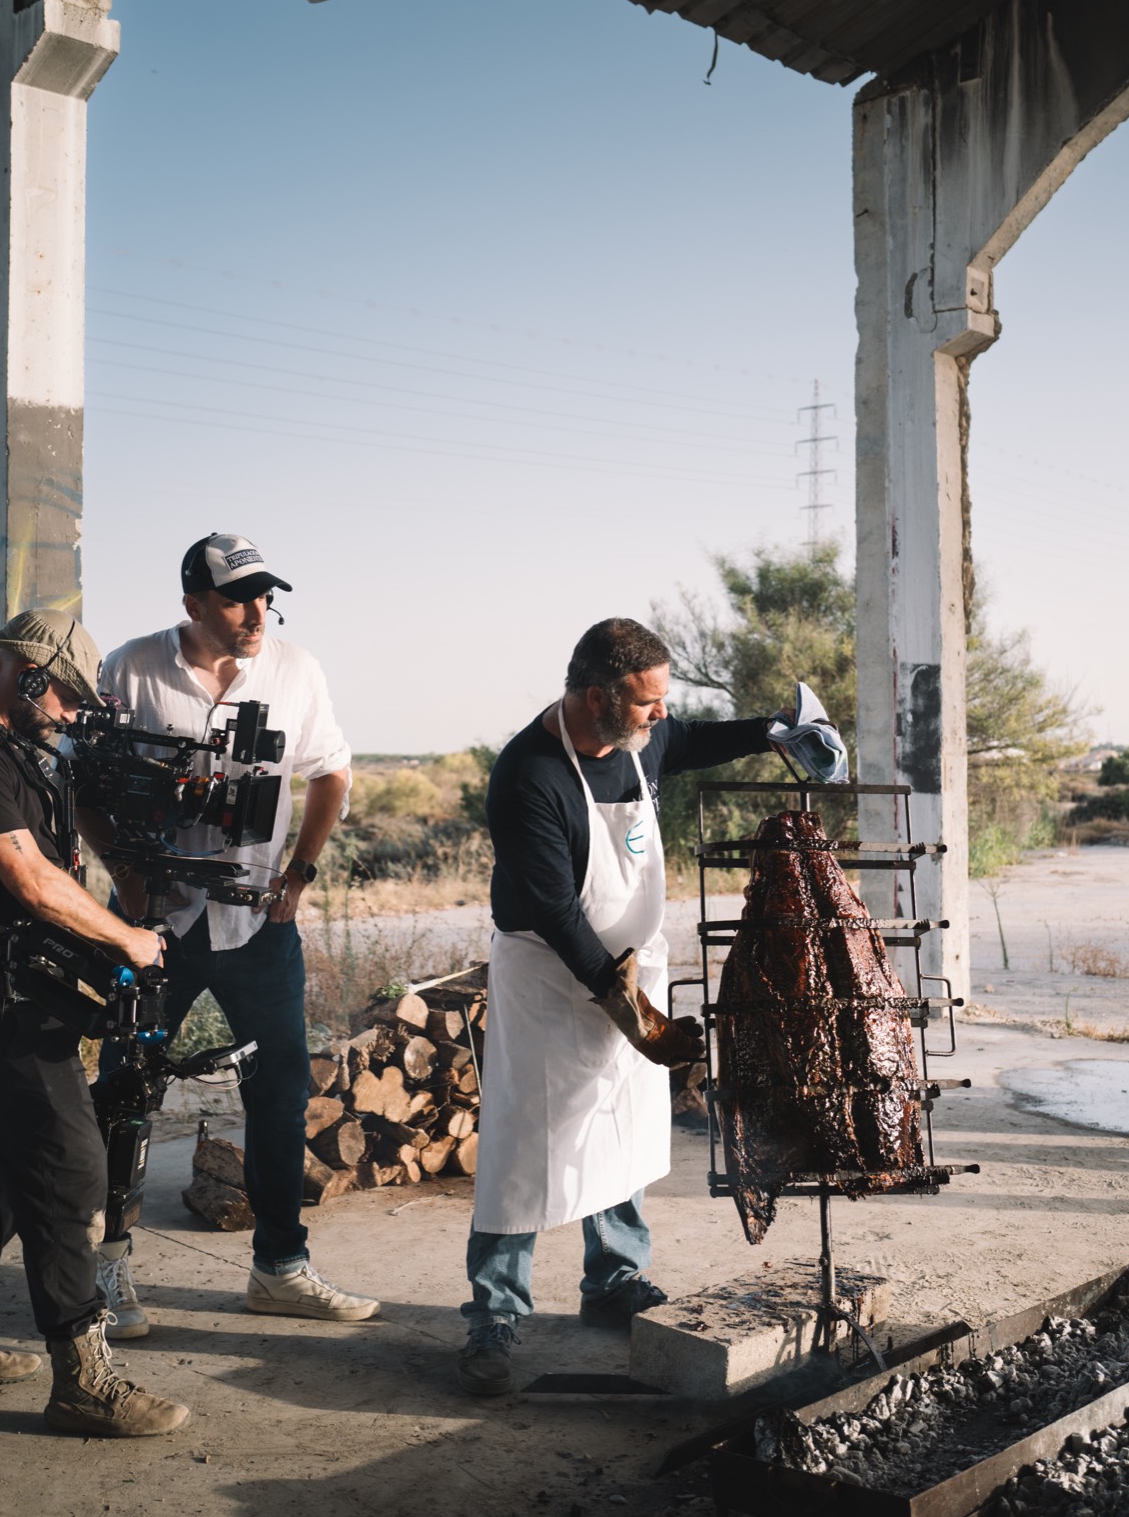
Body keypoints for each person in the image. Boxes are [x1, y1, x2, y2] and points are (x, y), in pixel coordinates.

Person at [459, 616, 785, 1397]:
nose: (660, 714)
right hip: (549, 976)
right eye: (646, 702)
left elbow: (697, 738)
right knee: (523, 1146)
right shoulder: (528, 775)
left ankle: (613, 1282)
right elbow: (558, 914)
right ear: (598, 697)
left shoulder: (641, 744)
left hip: (632, 965)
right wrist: (633, 1017)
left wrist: (774, 732)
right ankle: (493, 1319)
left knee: (623, 1133)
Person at [0, 609, 188, 1438]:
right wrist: (126, 934)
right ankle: (83, 1378)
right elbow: (27, 878)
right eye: (66, 703)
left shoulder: (10, 751)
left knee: (14, 1156)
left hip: (16, 988)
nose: (68, 718)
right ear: (31, 678)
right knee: (68, 1169)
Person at [94, 532, 379, 1334]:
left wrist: (302, 870)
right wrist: (129, 875)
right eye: (237, 598)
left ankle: (280, 1269)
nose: (257, 613)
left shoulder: (296, 669)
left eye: (265, 596)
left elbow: (331, 771)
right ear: (193, 605)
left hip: (258, 919)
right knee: (126, 1091)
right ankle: (106, 1270)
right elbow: (82, 781)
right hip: (156, 925)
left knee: (282, 1092)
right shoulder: (130, 667)